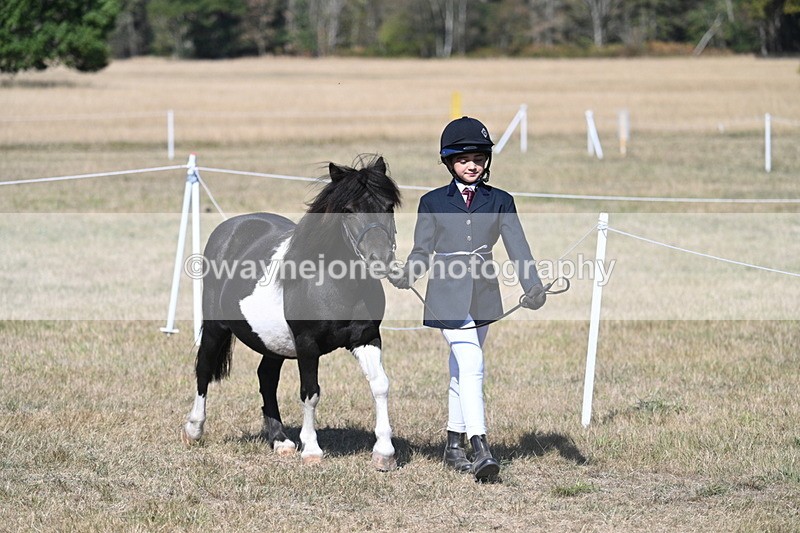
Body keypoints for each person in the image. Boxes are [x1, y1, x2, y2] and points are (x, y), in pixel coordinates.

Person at [389, 116, 547, 482]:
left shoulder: (501, 201)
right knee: (472, 362)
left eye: (477, 157)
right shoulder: (431, 202)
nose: (471, 165)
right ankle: (481, 449)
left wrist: (532, 286)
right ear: (448, 163)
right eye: (462, 160)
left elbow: (518, 248)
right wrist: (406, 275)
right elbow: (421, 252)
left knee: (462, 370)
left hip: (485, 296)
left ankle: (453, 445)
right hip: (446, 297)